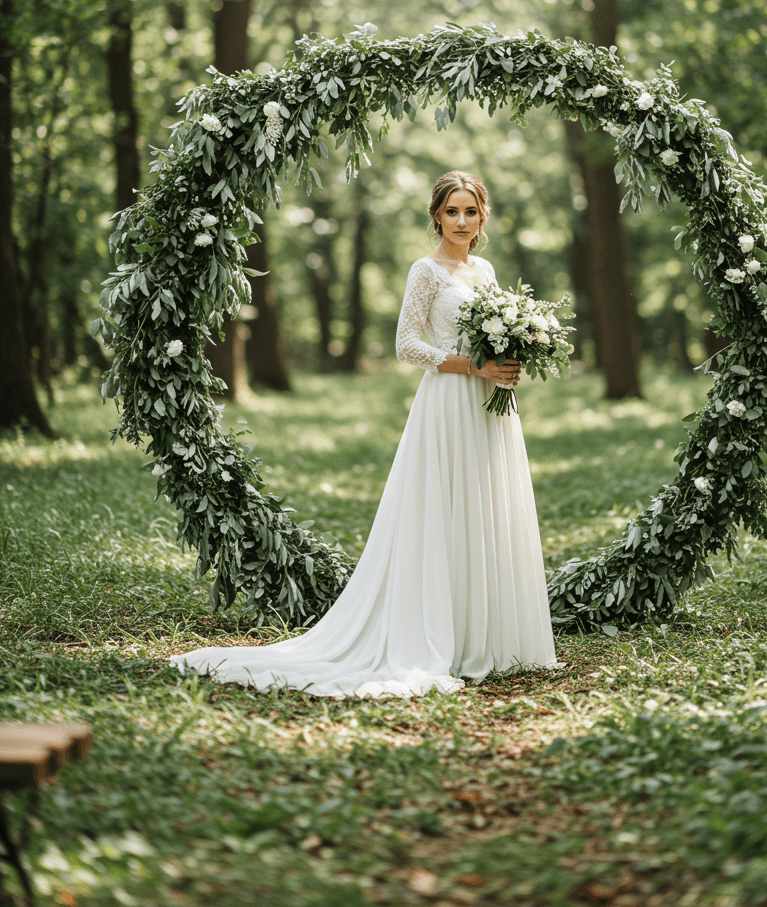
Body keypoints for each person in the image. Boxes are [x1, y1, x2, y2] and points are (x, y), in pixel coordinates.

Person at [170, 170, 558, 698]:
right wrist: (474, 367)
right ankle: (437, 636)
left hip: (490, 407)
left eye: (470, 211)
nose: (461, 221)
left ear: (483, 215)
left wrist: (510, 356)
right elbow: (407, 346)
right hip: (447, 402)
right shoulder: (425, 271)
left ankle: (485, 635)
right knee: (444, 508)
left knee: (484, 505)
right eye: (451, 212)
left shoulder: (485, 269)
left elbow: (493, 335)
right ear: (436, 216)